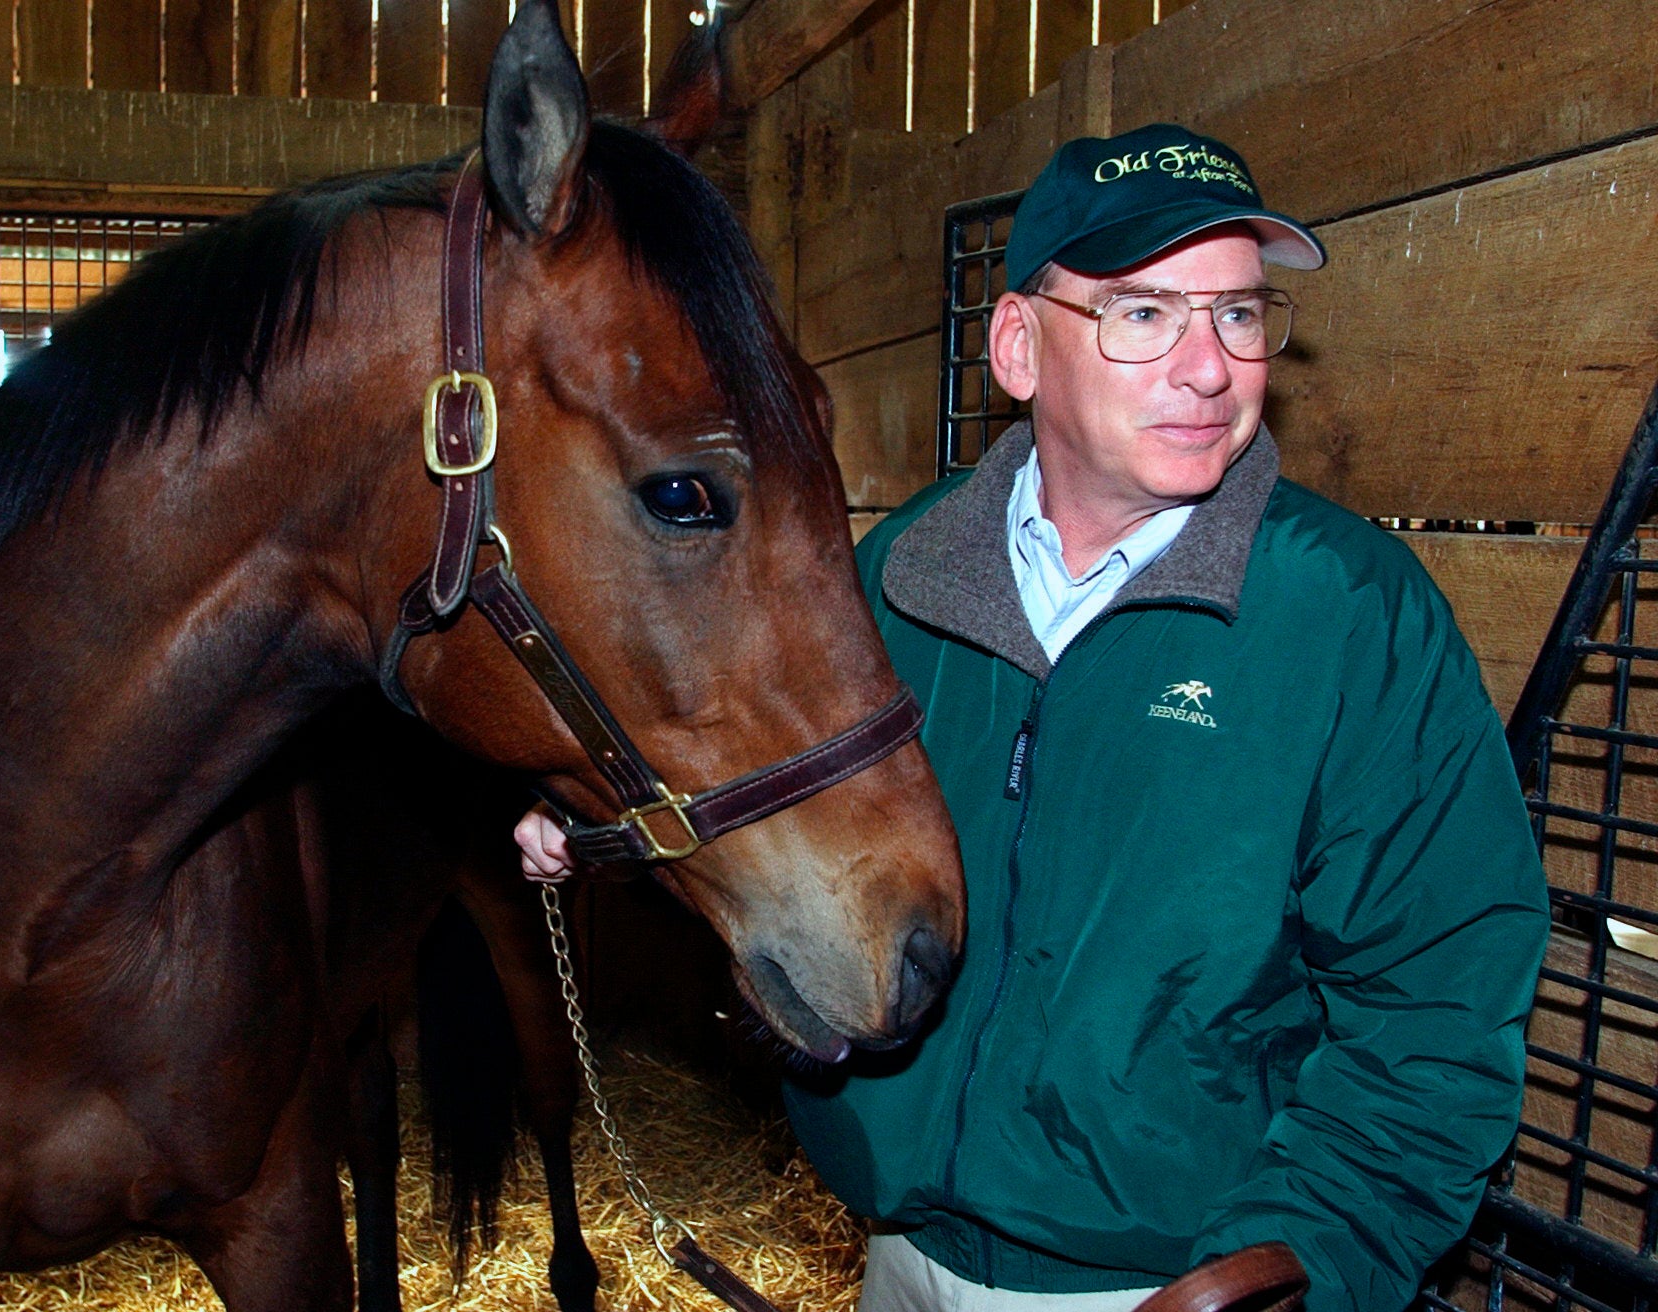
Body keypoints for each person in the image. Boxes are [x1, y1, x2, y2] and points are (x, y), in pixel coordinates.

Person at [515, 122, 1549, 1312]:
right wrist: (601, 823)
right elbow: (782, 830)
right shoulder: (896, 579)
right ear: (1017, 345)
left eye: (1238, 314)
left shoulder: (1348, 617)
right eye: (1142, 314)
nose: (1209, 366)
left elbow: (1438, 998)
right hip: (897, 1256)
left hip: (1167, 1287)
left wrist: (1289, 1266)